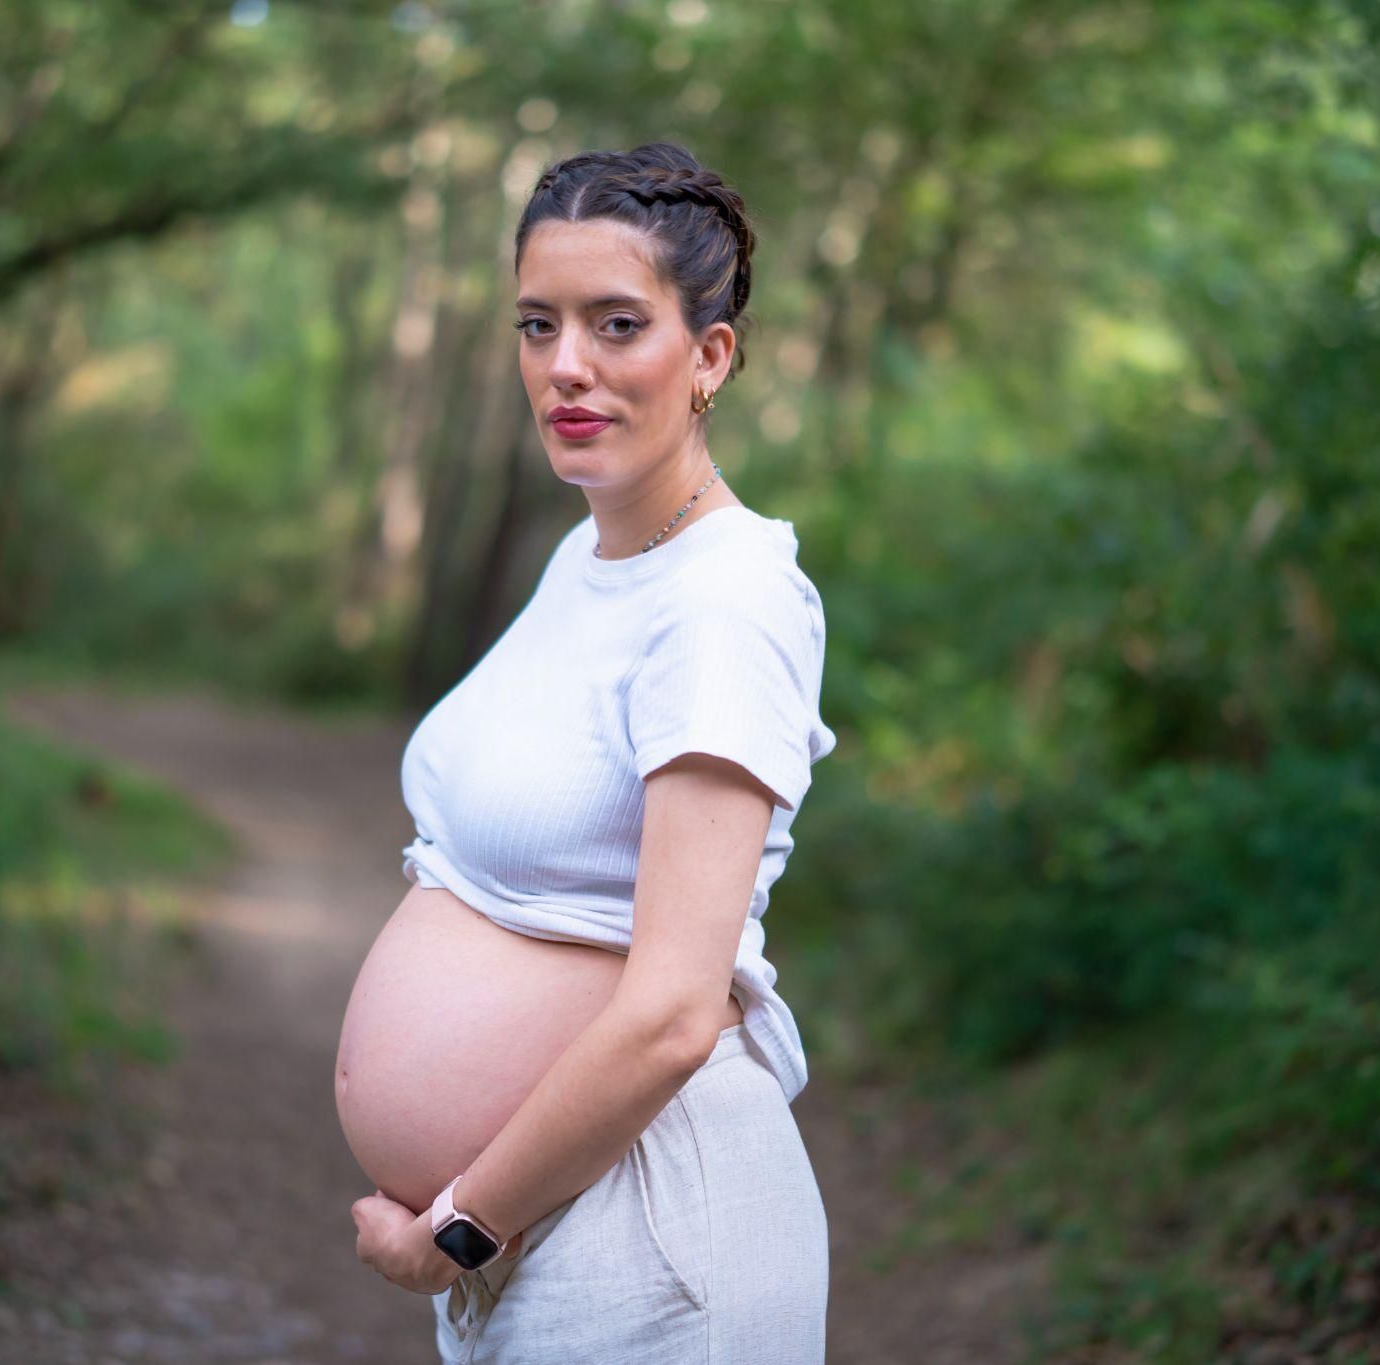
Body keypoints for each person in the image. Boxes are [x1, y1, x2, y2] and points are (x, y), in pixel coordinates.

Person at [339, 140, 837, 1363]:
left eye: (617, 324)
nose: (565, 366)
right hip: (554, 1230)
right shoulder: (595, 553)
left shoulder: (723, 601)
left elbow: (673, 1010)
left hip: (654, 1235)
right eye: (536, 324)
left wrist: (455, 1230)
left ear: (708, 355)